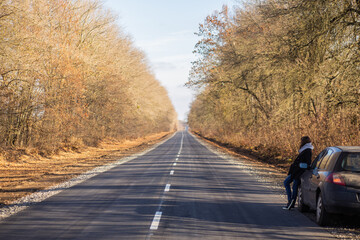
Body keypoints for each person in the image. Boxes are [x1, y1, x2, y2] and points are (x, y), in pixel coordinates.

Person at [283, 136, 313, 210]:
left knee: (293, 186)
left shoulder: (307, 150)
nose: (300, 142)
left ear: (304, 142)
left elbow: (308, 163)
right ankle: (290, 201)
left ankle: (291, 202)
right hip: (296, 171)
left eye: (301, 141)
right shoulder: (304, 149)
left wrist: (301, 166)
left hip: (299, 172)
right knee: (288, 183)